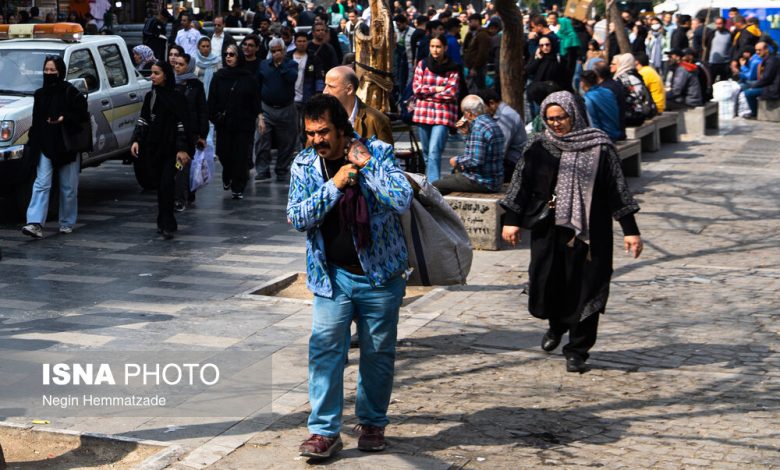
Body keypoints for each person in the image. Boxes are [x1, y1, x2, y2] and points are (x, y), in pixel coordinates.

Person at [289, 94, 413, 460]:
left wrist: (367, 164)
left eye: (324, 132)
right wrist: (335, 185)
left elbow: (401, 198)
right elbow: (297, 217)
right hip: (331, 277)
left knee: (378, 353)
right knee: (325, 350)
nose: (317, 140)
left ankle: (372, 422)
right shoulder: (305, 164)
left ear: (342, 129)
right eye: (311, 133)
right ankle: (324, 431)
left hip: (381, 276)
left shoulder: (378, 152)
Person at [500, 91, 643, 374]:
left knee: (588, 287)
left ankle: (578, 350)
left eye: (561, 117)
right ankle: (556, 325)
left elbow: (617, 189)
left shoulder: (600, 146)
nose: (556, 123)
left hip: (591, 233)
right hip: (548, 230)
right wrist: (511, 220)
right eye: (550, 118)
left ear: (574, 114)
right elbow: (520, 185)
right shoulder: (538, 145)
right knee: (548, 281)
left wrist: (631, 230)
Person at [21, 56, 89, 239]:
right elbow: (36, 121)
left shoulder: (70, 91)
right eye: (46, 70)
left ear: (60, 72)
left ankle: (67, 222)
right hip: (45, 144)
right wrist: (33, 144)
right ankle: (34, 223)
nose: (49, 73)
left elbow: (82, 113)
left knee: (69, 187)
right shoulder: (40, 94)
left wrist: (64, 118)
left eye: (53, 70)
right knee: (41, 183)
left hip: (66, 146)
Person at [129, 61, 190, 239]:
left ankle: (168, 224)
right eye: (152, 73)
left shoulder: (177, 97)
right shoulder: (151, 96)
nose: (152, 77)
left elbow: (182, 124)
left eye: (156, 73)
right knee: (160, 186)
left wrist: (182, 148)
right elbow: (144, 120)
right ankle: (162, 221)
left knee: (167, 184)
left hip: (172, 150)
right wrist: (136, 140)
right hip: (154, 148)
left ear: (166, 75)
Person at [208, 44, 261, 199]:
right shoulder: (219, 76)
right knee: (223, 153)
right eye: (226, 54)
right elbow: (212, 99)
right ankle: (228, 174)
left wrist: (259, 116)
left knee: (240, 156)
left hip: (243, 123)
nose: (228, 57)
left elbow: (255, 99)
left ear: (239, 57)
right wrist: (213, 116)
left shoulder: (248, 77)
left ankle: (238, 186)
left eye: (232, 54)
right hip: (224, 123)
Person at [412, 34, 460, 183]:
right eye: (432, 46)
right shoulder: (423, 64)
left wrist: (427, 93)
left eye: (438, 46)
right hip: (423, 114)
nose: (435, 50)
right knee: (426, 153)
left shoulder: (453, 67)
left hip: (443, 116)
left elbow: (451, 93)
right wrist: (438, 89)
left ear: (445, 48)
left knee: (434, 151)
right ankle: (428, 185)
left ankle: (434, 185)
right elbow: (417, 89)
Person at [433, 95, 504, 195]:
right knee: (448, 178)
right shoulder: (491, 123)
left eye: (464, 114)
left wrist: (457, 160)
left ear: (468, 113)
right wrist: (466, 133)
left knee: (436, 185)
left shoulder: (478, 127)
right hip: (494, 179)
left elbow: (476, 160)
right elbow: (476, 149)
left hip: (483, 181)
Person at [254, 38, 300, 183]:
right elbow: (257, 87)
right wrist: (259, 113)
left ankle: (282, 169)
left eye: (279, 50)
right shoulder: (263, 65)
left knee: (287, 142)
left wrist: (281, 65)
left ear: (284, 51)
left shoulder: (291, 64)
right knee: (262, 140)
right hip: (267, 108)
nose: (276, 53)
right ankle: (262, 170)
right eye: (273, 51)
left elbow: (292, 78)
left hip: (286, 108)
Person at [173, 53, 208, 211]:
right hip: (173, 131)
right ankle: (185, 192)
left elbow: (202, 110)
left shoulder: (196, 85)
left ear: (189, 66)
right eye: (176, 63)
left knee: (184, 163)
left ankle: (181, 197)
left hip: (190, 132)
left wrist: (202, 135)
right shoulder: (171, 82)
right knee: (176, 164)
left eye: (181, 64)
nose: (177, 67)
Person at [324, 66, 393, 144]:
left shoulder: (377, 120)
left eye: (331, 86)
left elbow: (387, 151)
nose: (325, 91)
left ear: (349, 89)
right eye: (325, 85)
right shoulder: (322, 117)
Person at [478, 88, 526, 182]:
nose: (481, 112)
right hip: (504, 161)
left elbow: (499, 150)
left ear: (491, 103)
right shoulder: (498, 115)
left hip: (512, 165)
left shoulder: (506, 116)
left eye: (482, 108)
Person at [290, 31, 325, 145]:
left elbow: (319, 78)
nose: (302, 44)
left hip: (307, 97)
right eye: (299, 41)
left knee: (306, 126)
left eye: (304, 41)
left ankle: (306, 147)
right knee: (293, 127)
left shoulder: (313, 57)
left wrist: (318, 95)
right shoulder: (288, 57)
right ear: (295, 42)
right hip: (291, 98)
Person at [611, 53, 656, 127]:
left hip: (630, 117)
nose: (610, 65)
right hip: (643, 114)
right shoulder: (637, 76)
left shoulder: (621, 79)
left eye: (614, 64)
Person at [580, 70, 621, 141]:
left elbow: (593, 122)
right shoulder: (608, 92)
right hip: (615, 133)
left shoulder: (588, 99)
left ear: (582, 83)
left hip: (604, 137)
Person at [743, 42, 780, 118]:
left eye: (760, 50)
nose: (757, 52)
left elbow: (767, 78)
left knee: (748, 93)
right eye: (756, 50)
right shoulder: (767, 59)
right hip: (769, 85)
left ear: (766, 50)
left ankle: (754, 113)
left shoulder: (771, 61)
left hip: (773, 88)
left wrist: (753, 86)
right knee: (744, 85)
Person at [462, 13, 491, 92]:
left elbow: (482, 53)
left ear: (477, 21)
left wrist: (475, 67)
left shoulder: (483, 35)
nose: (469, 24)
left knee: (479, 89)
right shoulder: (473, 34)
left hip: (478, 68)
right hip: (471, 67)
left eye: (471, 22)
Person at [704, 17, 732, 83]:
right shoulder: (711, 34)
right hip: (712, 63)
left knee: (723, 83)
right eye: (717, 24)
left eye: (720, 23)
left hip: (725, 63)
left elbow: (732, 47)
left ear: (724, 24)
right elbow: (706, 44)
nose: (718, 25)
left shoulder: (729, 34)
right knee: (710, 82)